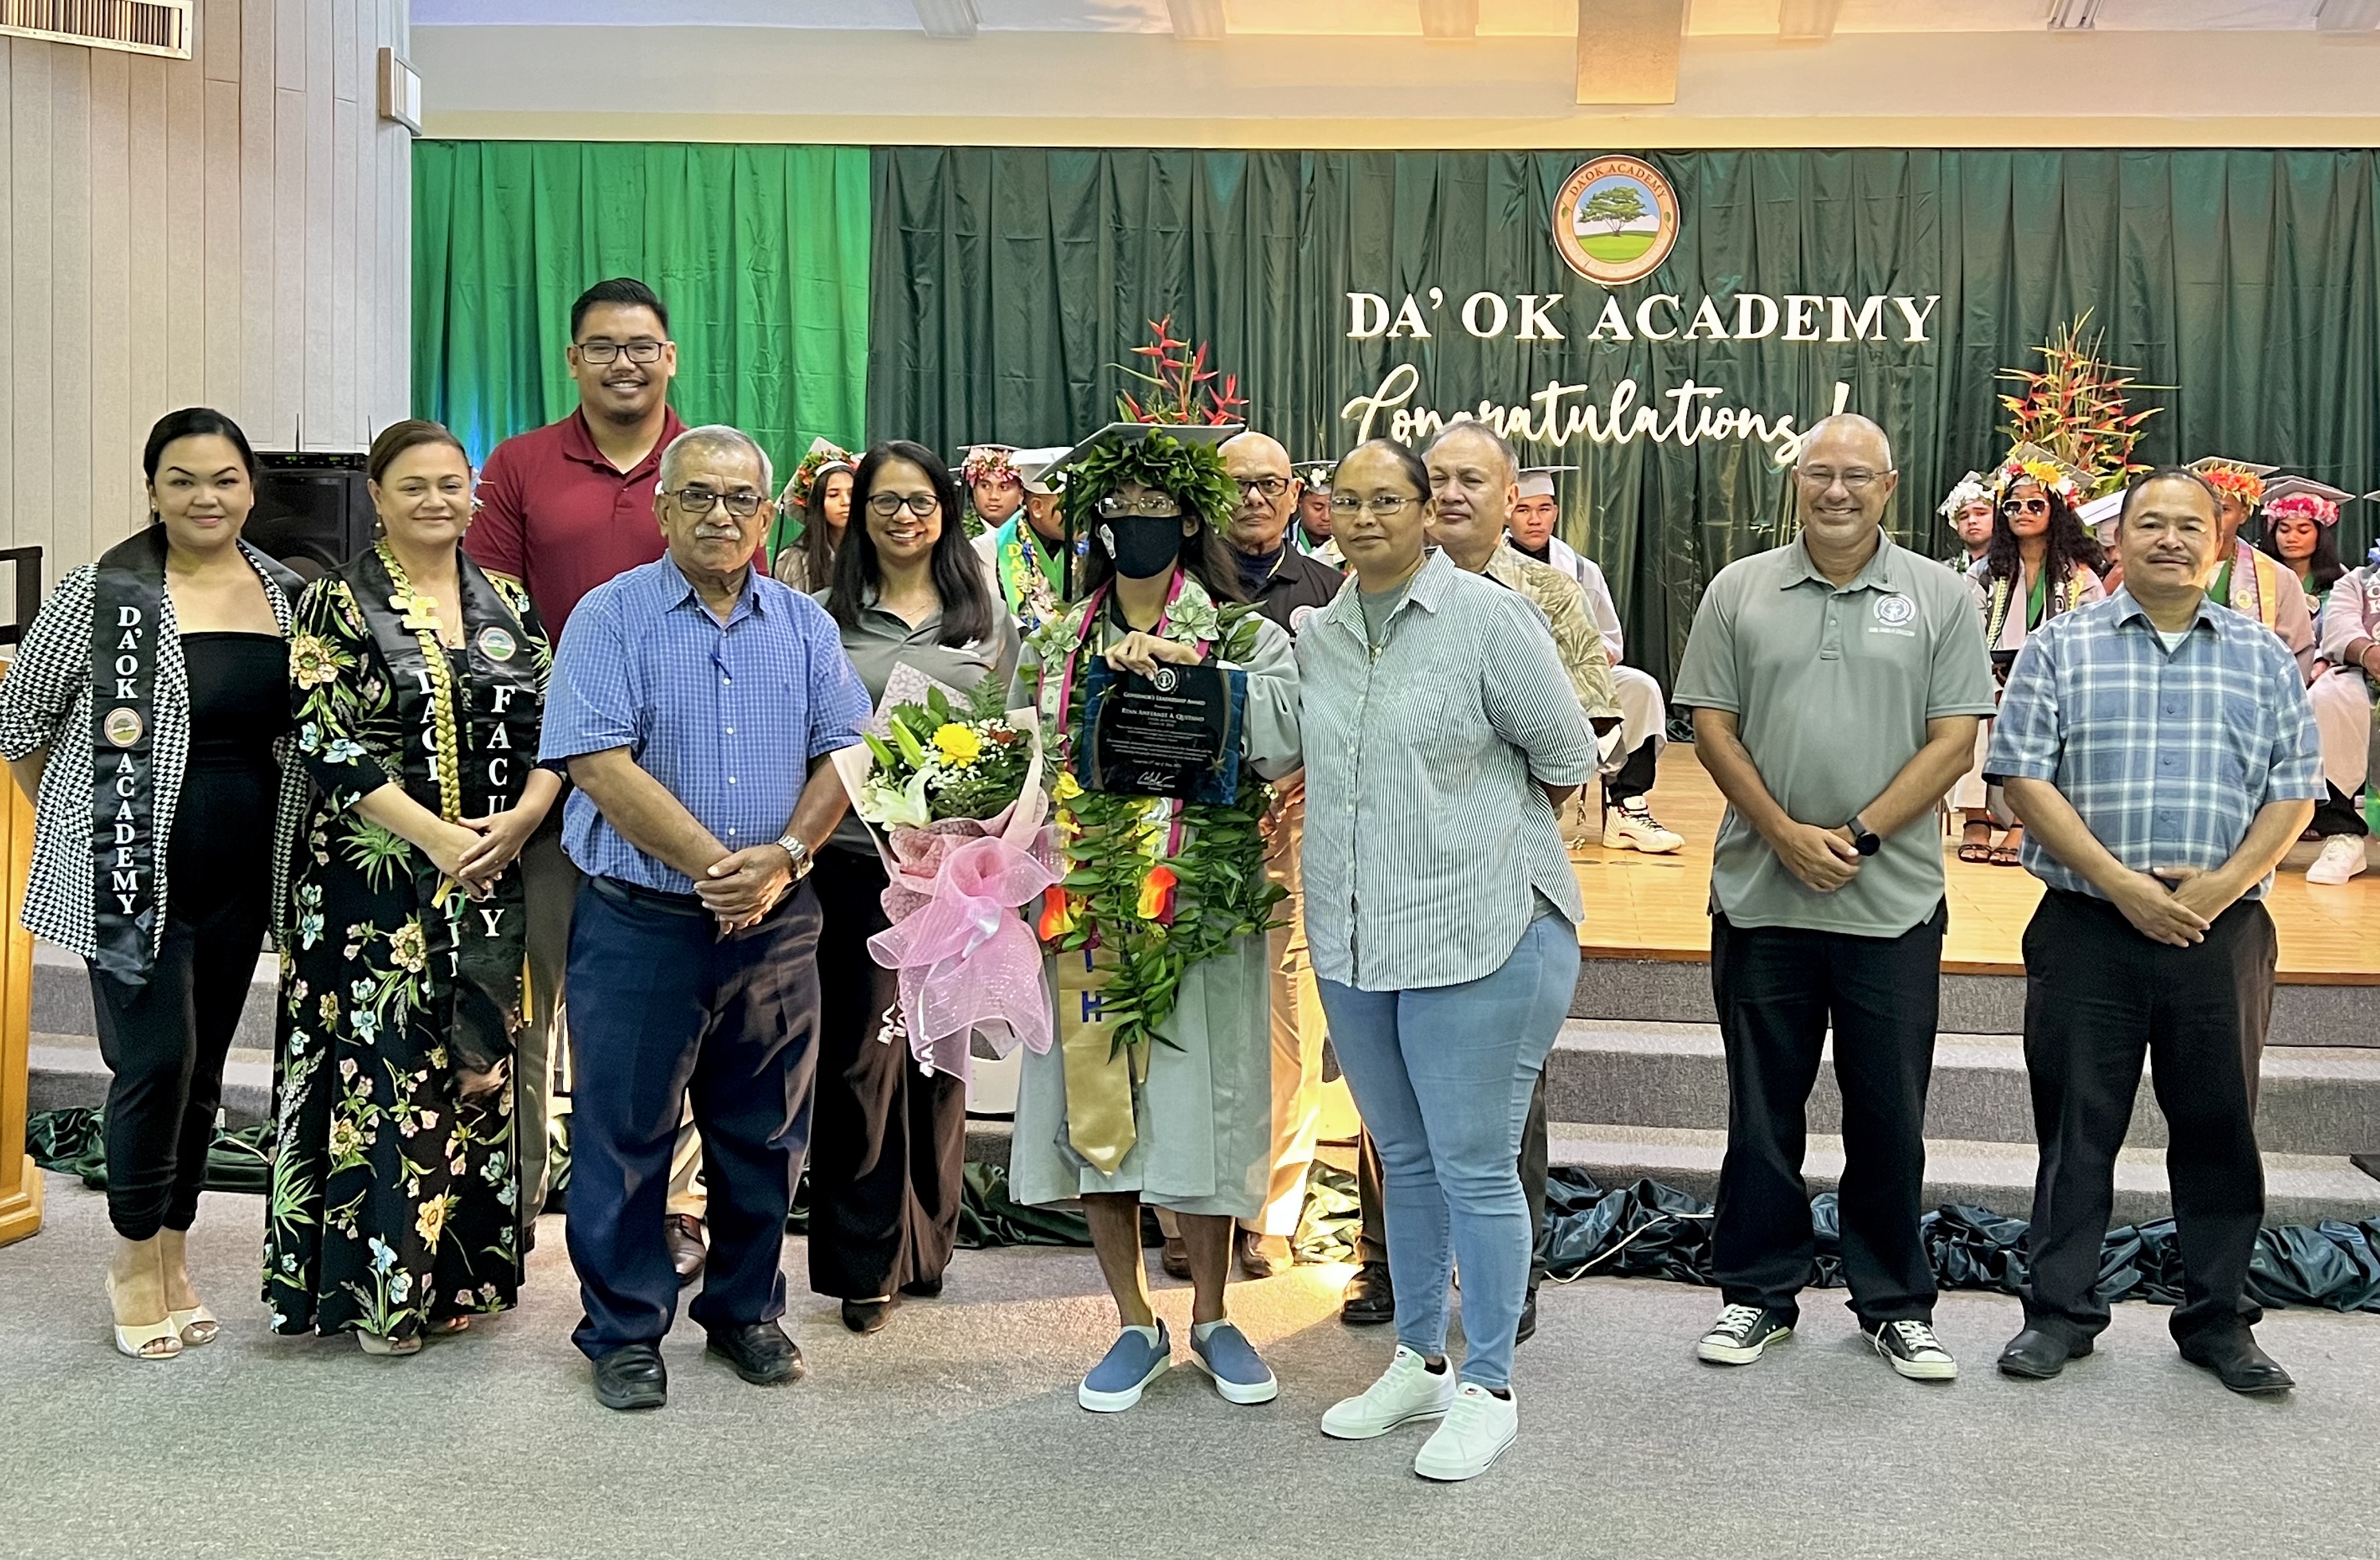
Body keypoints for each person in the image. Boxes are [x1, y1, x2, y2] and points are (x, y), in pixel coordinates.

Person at [540, 423, 868, 1411]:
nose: (719, 514)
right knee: (624, 1132)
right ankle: (623, 1328)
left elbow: (847, 748)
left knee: (765, 1132)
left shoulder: (805, 625)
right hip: (641, 918)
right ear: (662, 507)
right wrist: (719, 868)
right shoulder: (610, 617)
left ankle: (743, 1313)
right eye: (698, 496)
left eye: (739, 498)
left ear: (766, 514)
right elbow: (596, 761)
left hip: (778, 924)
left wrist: (788, 859)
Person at [1671, 412, 1994, 1382]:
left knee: (1888, 1116)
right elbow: (1712, 727)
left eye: (1857, 475)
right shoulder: (1739, 590)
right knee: (1759, 1112)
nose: (1837, 490)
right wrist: (1780, 833)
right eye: (1820, 473)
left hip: (1887, 902)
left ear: (1888, 488)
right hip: (1759, 899)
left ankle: (1893, 1302)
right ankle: (1755, 1296)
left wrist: (1852, 836)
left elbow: (1951, 740)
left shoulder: (1938, 596)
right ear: (1796, 483)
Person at [1987, 467, 2320, 1396]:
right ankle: (2056, 1315)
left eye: (2188, 525)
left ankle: (2218, 1322)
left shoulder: (2259, 655)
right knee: (2074, 1130)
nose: (2168, 539)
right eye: (2148, 524)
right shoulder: (2060, 647)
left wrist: (2215, 887)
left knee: (2218, 1128)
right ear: (2117, 540)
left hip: (2221, 930)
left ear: (2217, 544)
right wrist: (2118, 884)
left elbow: (2292, 792)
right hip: (2087, 923)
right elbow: (2021, 776)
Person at [1301, 439, 1594, 1483]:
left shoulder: (1484, 617)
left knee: (1474, 1164)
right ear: (1321, 513)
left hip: (1484, 933)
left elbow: (1566, 754)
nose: (1365, 517)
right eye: (1346, 500)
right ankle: (1418, 1359)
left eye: (1389, 499)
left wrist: (1464, 842)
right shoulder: (1318, 633)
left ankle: (1489, 1385)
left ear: (1429, 511)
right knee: (1404, 1157)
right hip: (1353, 935)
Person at [0, 408, 306, 1361]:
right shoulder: (104, 592)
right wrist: (80, 827)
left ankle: (174, 1251)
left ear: (251, 487)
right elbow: (20, 726)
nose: (205, 498)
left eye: (223, 479)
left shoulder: (289, 594)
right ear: (152, 490)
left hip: (241, 874)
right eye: (182, 480)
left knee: (206, 1070)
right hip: (127, 875)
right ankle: (132, 1260)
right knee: (156, 1062)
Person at [1010, 426, 1301, 1417]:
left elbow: (1280, 743)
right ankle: (1131, 1318)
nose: (1137, 526)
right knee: (1103, 1118)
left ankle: (1214, 1313)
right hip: (1083, 904)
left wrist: (1197, 682)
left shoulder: (1242, 634)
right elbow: (1016, 760)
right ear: (1097, 522)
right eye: (1118, 510)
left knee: (1199, 1106)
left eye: (1156, 509)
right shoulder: (1054, 641)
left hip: (1200, 906)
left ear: (1188, 518)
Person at [262, 419, 559, 1354]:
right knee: (383, 1076)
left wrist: (520, 820)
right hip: (371, 882)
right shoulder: (334, 604)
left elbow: (561, 725)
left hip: (489, 869)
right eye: (413, 486)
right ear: (379, 498)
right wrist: (434, 837)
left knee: (472, 1066)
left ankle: (456, 1273)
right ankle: (374, 1295)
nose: (436, 500)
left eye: (451, 483)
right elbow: (322, 737)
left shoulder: (506, 600)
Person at [466, 276, 709, 1280]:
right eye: (602, 346)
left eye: (641, 344)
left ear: (669, 357)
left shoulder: (706, 467)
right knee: (531, 997)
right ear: (572, 360)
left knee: (674, 1008)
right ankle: (508, 1201)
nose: (623, 361)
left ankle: (675, 1203)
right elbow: (486, 619)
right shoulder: (522, 465)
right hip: (546, 780)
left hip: (673, 788)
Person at [810, 441, 1019, 1334]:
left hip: (955, 876)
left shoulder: (985, 617)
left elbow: (1015, 733)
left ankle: (925, 1246)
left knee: (938, 1060)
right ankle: (863, 1262)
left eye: (920, 501)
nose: (903, 516)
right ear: (859, 515)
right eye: (885, 502)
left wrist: (987, 823)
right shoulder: (822, 616)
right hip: (853, 864)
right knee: (859, 1062)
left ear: (947, 511)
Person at [1208, 429, 1343, 1279]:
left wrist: (1312, 771)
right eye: (1237, 486)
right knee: (1189, 1014)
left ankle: (1270, 1208)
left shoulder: (1335, 592)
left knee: (1285, 1019)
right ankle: (1192, 1198)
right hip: (1185, 838)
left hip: (1296, 835)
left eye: (1270, 483)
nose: (1254, 499)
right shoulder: (1178, 593)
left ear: (1295, 494)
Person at [1504, 465, 1681, 854]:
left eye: (1545, 508)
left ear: (1556, 511)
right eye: (1524, 509)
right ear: (1507, 509)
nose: (1536, 519)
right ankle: (1528, 810)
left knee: (1639, 687)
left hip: (1574, 679)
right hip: (1511, 684)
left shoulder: (1582, 570)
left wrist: (1590, 653)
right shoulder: (1486, 567)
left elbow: (1610, 638)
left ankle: (1627, 810)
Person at [1952, 462, 2105, 868]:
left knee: (2041, 718)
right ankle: (1975, 820)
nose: (2022, 512)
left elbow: (2092, 638)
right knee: (1970, 710)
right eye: (2012, 506)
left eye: (2035, 505)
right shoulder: (1984, 572)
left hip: (2055, 681)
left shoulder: (2081, 577)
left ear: (2056, 510)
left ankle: (2024, 824)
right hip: (1990, 675)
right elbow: (1966, 633)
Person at [2180, 456, 2317, 678]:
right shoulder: (2167, 567)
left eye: (2224, 510)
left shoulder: (2278, 577)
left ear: (2243, 514)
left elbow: (2298, 652)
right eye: (2203, 507)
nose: (2211, 518)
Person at [2309, 541, 2380, 884]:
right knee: (2326, 696)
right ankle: (2343, 835)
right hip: (2361, 673)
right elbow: (2338, 627)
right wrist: (2369, 654)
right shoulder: (2357, 580)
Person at [970, 445, 1076, 635]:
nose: (1078, 517)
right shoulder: (987, 548)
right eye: (1068, 507)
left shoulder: (1088, 545)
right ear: (1037, 507)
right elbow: (990, 614)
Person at [769, 438, 855, 591]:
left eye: (852, 493)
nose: (846, 502)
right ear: (816, 504)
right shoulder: (793, 560)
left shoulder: (876, 553)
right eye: (834, 495)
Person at [1292, 461, 1344, 568]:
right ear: (1299, 502)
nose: (1326, 517)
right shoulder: (1282, 542)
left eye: (1332, 507)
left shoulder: (1350, 544)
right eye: (1318, 508)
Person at [1939, 472, 1995, 568]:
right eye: (1964, 517)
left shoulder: (2016, 567)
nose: (1971, 521)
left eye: (1981, 513)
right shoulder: (1946, 570)